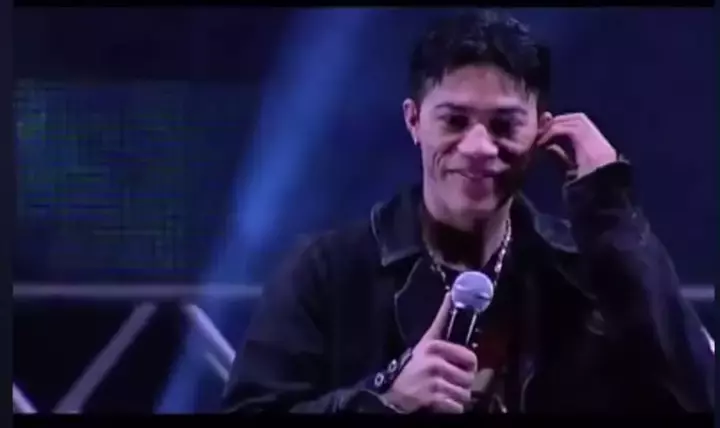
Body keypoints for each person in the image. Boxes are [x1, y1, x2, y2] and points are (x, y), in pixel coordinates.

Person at [222, 10, 714, 413]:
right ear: (414, 121)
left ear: (541, 130)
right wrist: (384, 399)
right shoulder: (328, 271)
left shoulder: (582, 273)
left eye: (504, 124)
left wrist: (609, 206)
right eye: (455, 121)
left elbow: (701, 395)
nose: (478, 147)